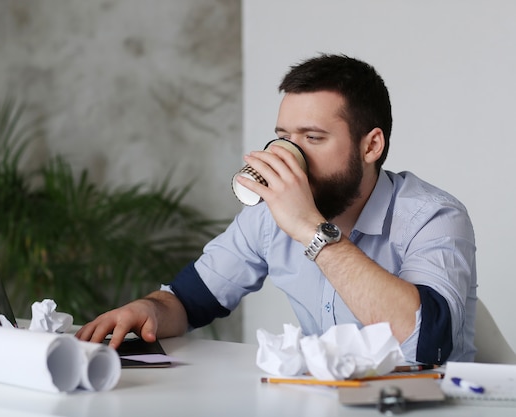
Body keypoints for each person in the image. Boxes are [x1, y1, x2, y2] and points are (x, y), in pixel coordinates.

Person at [76, 54, 477, 364]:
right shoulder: (268, 216)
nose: (290, 156)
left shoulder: (433, 216)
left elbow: (425, 343)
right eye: (284, 137)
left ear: (371, 146)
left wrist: (310, 228)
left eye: (313, 138)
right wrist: (147, 309)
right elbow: (189, 301)